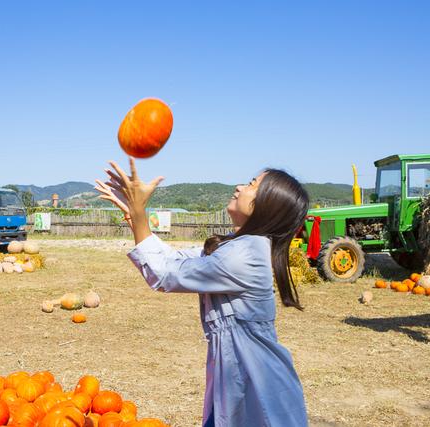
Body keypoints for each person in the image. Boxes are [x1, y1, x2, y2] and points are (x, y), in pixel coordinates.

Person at [95, 158, 309, 427]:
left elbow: (164, 274)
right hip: (237, 379)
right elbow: (172, 261)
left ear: (267, 205)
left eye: (252, 185)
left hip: (258, 387)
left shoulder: (245, 255)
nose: (240, 187)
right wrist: (133, 212)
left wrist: (139, 211)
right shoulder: (239, 247)